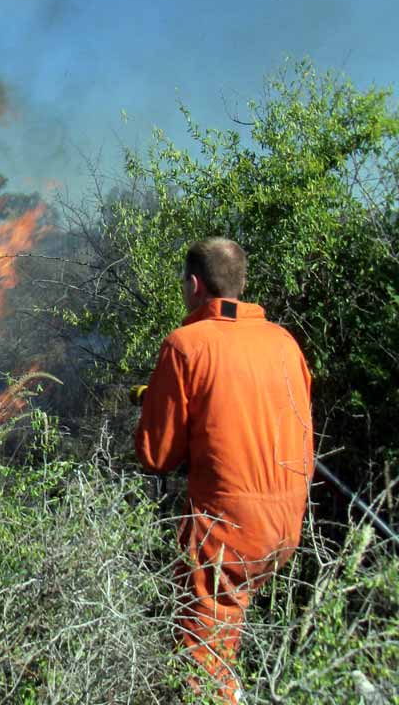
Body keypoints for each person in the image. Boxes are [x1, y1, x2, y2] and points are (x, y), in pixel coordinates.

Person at [133, 238, 314, 703]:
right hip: (287, 525)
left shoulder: (186, 345)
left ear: (194, 285)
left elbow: (156, 455)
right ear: (241, 284)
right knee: (230, 633)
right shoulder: (284, 342)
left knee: (202, 662)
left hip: (228, 528)